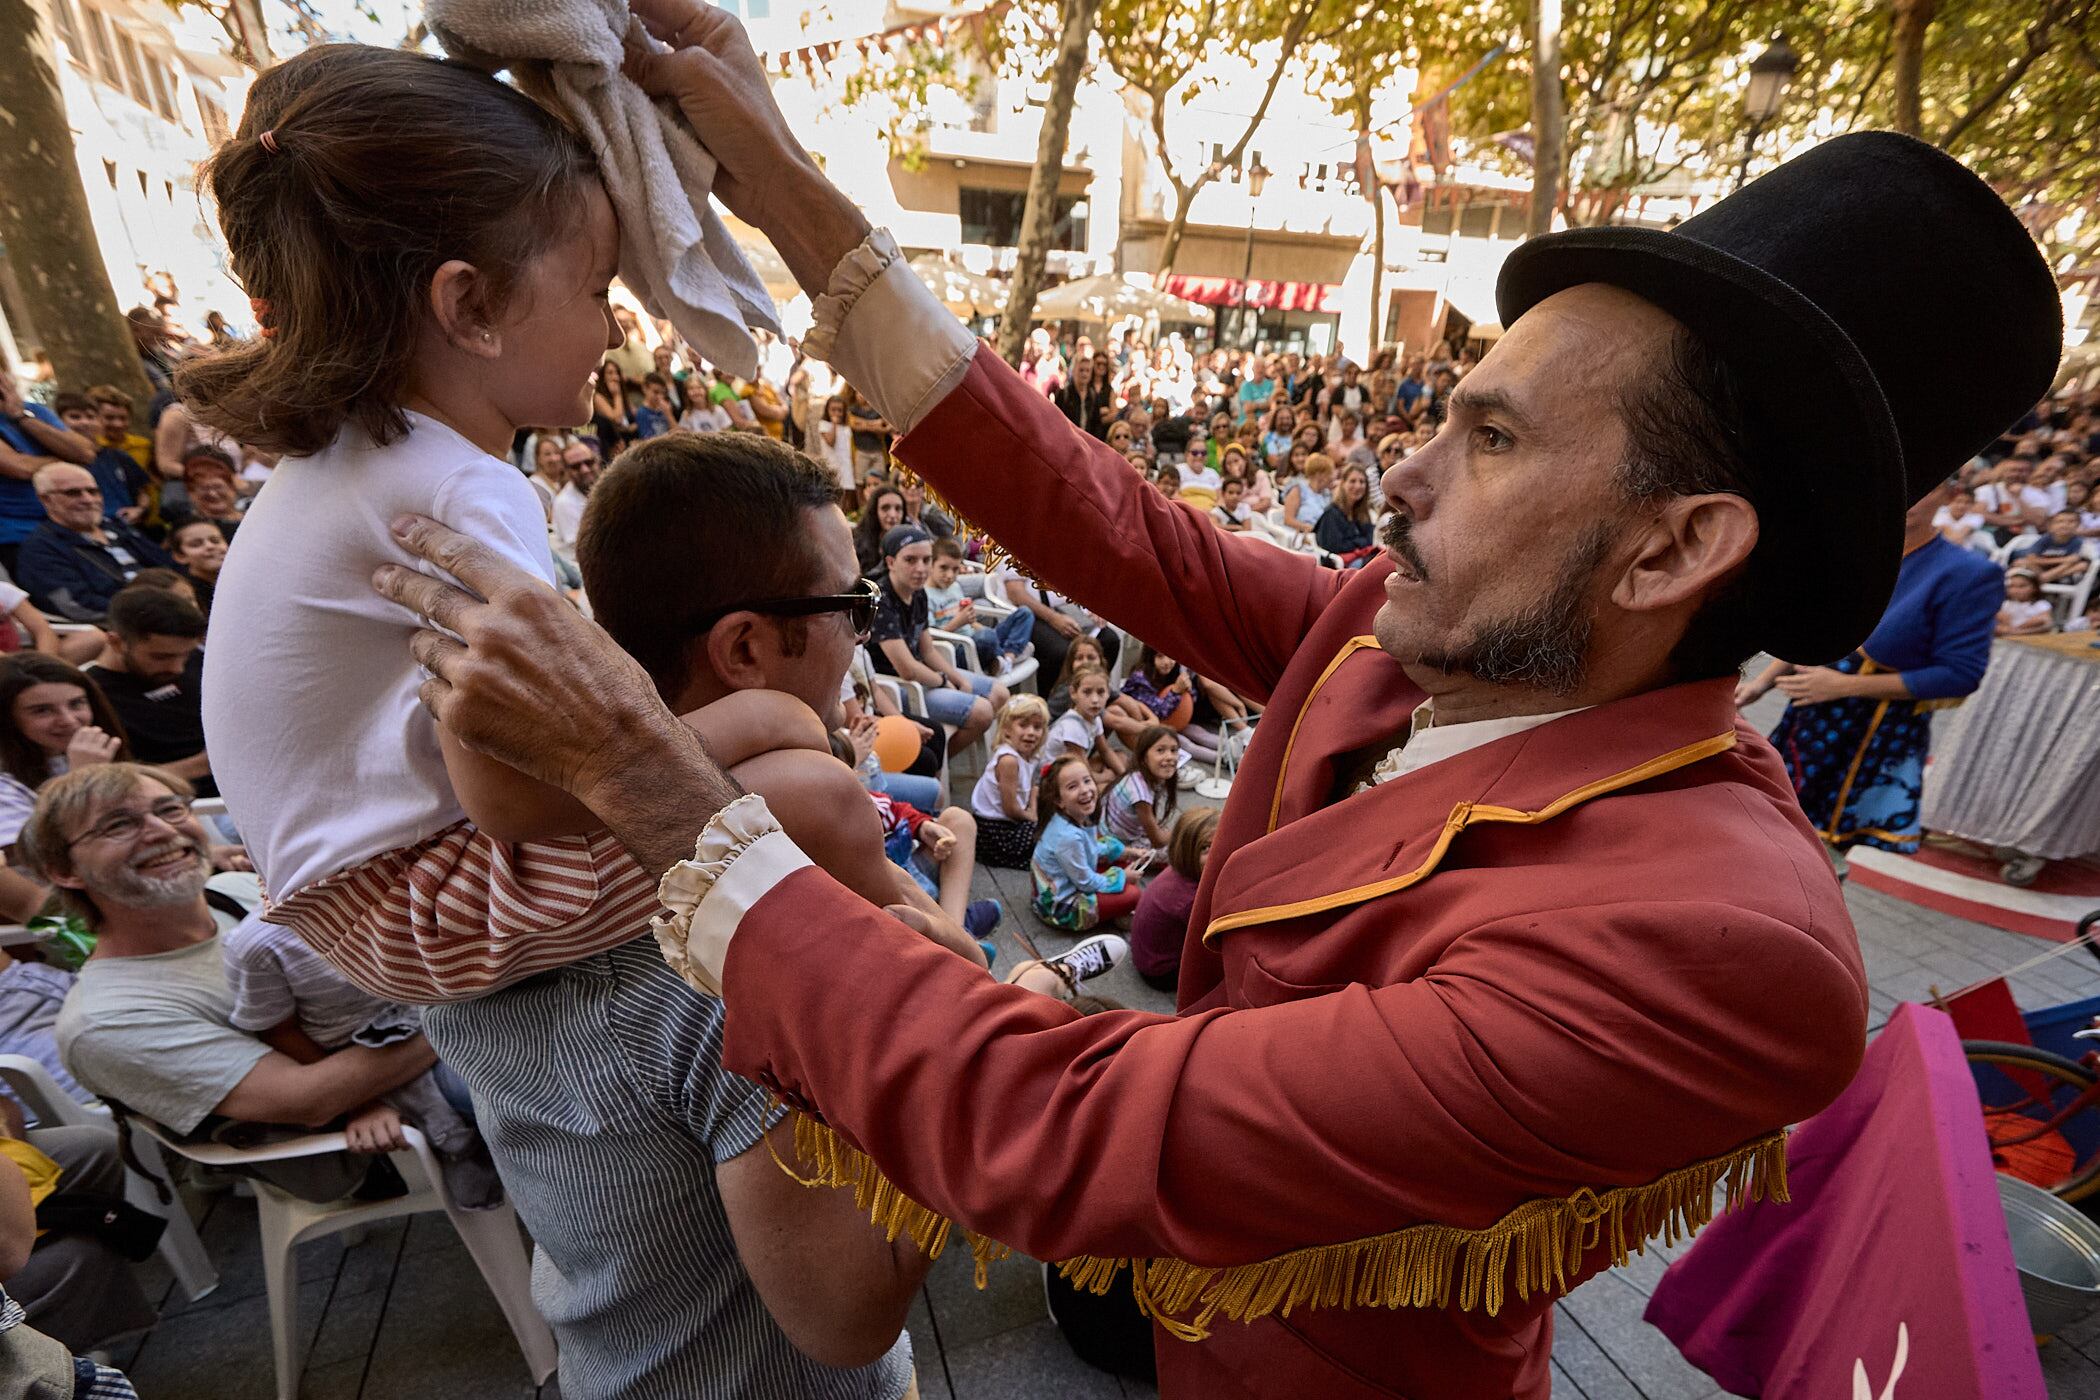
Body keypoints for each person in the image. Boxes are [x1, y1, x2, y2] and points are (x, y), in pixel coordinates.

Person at [374, 34, 2057, 1398]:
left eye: (1486, 440)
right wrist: (794, 197)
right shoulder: (1432, 635)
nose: (1394, 478)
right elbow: (1114, 521)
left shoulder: (1724, 945)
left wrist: (655, 788)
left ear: (1680, 546)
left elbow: (1082, 1131)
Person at [186, 45, 818, 1013]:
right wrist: (766, 717)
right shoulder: (461, 490)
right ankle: (878, 964)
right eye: (599, 288)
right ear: (470, 306)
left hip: (349, 897)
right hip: (423, 906)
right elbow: (518, 798)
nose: (613, 334)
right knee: (807, 776)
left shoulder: (353, 460)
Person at [1741, 481, 2005, 865]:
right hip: (1807, 718)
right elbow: (1822, 630)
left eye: (1928, 488)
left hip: (1872, 735)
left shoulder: (1967, 574)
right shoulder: (1860, 551)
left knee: (1814, 856)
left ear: (1949, 497)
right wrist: (1761, 683)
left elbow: (1960, 674)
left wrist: (1845, 686)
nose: (1910, 498)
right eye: (1904, 483)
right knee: (1769, 826)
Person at [868, 525, 1005, 756]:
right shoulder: (882, 600)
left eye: (926, 560)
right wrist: (942, 681)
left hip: (922, 675)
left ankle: (940, 758)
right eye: (910, 560)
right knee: (982, 713)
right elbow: (907, 669)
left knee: (1000, 693)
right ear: (891, 562)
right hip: (896, 684)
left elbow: (928, 650)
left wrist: (957, 678)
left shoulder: (918, 592)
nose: (920, 569)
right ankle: (939, 760)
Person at [84, 587, 213, 796]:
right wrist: (201, 765)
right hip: (179, 803)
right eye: (161, 657)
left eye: (185, 655)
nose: (177, 668)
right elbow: (107, 781)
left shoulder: (197, 661)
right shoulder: (89, 697)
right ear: (117, 643)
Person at [14, 467, 174, 623]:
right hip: (132, 625)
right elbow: (75, 605)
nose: (88, 500)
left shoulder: (118, 527)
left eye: (93, 491)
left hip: (172, 608)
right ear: (46, 499)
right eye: (73, 493)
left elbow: (168, 565)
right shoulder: (41, 549)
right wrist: (151, 614)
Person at [0, 656, 126, 853]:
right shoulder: (4, 780)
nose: (68, 720)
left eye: (76, 704)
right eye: (42, 711)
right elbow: (28, 856)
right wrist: (82, 778)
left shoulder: (96, 751)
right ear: (8, 718)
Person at [1031, 756, 1145, 932]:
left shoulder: (1076, 815)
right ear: (1059, 800)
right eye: (1072, 786)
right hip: (1063, 907)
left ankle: (1115, 911)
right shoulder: (1068, 837)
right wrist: (1122, 877)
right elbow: (1085, 883)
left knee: (1125, 861)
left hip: (1071, 880)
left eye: (1087, 780)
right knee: (1132, 894)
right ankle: (1116, 913)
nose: (1085, 790)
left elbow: (1090, 848)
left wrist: (1126, 852)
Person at [0, 381, 99, 576]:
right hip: (18, 535)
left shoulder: (33, 411)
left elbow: (86, 452)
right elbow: (20, 467)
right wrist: (67, 458)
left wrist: (22, 418)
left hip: (75, 526)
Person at [1128, 807, 1217, 993]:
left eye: (1219, 844)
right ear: (1187, 852)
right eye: (1205, 848)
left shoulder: (1183, 871)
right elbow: (1211, 939)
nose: (1215, 854)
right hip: (1161, 972)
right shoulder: (1190, 900)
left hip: (1147, 955)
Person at [926, 535, 1030, 673]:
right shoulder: (925, 595)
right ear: (931, 565)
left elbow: (971, 623)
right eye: (943, 568)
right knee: (987, 637)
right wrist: (958, 623)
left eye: (955, 569)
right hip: (958, 649)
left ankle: (1006, 659)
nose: (950, 575)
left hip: (975, 638)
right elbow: (929, 638)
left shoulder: (955, 587)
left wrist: (983, 629)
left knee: (1024, 613)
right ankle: (1007, 654)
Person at [970, 694, 1048, 869]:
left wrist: (1033, 810)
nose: (1030, 732)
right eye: (1023, 725)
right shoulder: (1008, 760)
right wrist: (1033, 818)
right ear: (1006, 730)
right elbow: (1010, 809)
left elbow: (1033, 788)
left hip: (1011, 820)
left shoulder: (1029, 756)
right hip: (996, 830)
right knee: (1049, 834)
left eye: (1037, 727)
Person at [1101, 725, 1181, 850]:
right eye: (1160, 750)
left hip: (1118, 834)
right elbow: (1158, 841)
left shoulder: (1139, 775)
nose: (1169, 757)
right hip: (1117, 846)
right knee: (1182, 851)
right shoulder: (1140, 795)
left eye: (1174, 750)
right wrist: (1183, 827)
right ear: (1144, 757)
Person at [1047, 665, 1123, 782]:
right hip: (1052, 779)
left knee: (1122, 759)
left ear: (1108, 693)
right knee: (1103, 788)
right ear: (1073, 693)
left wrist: (1125, 776)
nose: (1095, 700)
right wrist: (1107, 777)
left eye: (1101, 692)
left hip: (1072, 768)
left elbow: (1105, 751)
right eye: (1087, 692)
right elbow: (1084, 774)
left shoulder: (1094, 718)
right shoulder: (1072, 727)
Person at [171, 446, 246, 542]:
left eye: (218, 487)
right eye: (204, 488)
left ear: (233, 484)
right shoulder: (186, 531)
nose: (213, 494)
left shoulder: (253, 516)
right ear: (190, 491)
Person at [1315, 464, 1380, 568]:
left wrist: (1353, 544)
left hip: (1361, 558)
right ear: (1343, 483)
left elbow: (1369, 540)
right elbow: (1334, 547)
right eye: (1352, 481)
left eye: (1362, 482)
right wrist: (1359, 543)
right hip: (1339, 564)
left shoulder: (1363, 513)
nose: (1358, 486)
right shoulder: (1331, 513)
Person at [551, 437, 601, 560]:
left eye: (588, 462)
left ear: (597, 461)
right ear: (567, 471)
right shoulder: (564, 503)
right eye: (576, 466)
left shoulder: (611, 487)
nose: (585, 469)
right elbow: (583, 549)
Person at [2010, 510, 2091, 584]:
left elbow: (2072, 560)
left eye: (2071, 521)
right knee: (2021, 562)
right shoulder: (2046, 539)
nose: (2065, 525)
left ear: (2078, 525)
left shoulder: (2077, 541)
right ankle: (2044, 578)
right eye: (2060, 521)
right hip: (2037, 568)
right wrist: (2063, 559)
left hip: (2058, 571)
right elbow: (2031, 558)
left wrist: (2048, 575)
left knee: (2082, 565)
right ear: (2051, 526)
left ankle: (2045, 578)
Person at [1055, 357, 1112, 440]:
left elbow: (1097, 424)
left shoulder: (1093, 395)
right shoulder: (1063, 393)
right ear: (1074, 371)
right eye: (1081, 370)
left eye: (1087, 370)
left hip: (1087, 444)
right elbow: (1057, 421)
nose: (1084, 374)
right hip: (1067, 441)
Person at [1279, 452, 1335, 538]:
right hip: (1302, 536)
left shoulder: (1327, 494)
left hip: (1324, 536)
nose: (1332, 477)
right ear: (1319, 474)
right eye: (1329, 473)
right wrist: (1311, 529)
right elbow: (1288, 520)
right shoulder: (1298, 489)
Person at [815, 393, 856, 501]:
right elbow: (831, 442)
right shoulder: (824, 425)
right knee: (834, 493)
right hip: (832, 464)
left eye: (839, 410)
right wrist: (834, 424)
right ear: (827, 410)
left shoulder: (846, 427)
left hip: (845, 464)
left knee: (846, 494)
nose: (836, 413)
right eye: (833, 410)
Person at [590, 361, 637, 454]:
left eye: (617, 373)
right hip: (613, 446)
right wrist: (617, 395)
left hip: (631, 441)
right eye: (610, 373)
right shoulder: (598, 397)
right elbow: (616, 419)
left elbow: (636, 417)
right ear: (603, 377)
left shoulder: (624, 397)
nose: (615, 377)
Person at [1994, 568, 2054, 635]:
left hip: (2029, 633)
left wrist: (2018, 630)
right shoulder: (2005, 604)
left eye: (2022, 586)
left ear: (2034, 588)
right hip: (2008, 631)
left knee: (2041, 619)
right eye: (2012, 586)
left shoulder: (2041, 604)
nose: (2016, 590)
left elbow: (2046, 623)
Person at [633, 372, 675, 440]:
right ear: (645, 389)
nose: (660, 397)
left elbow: (678, 434)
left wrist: (669, 414)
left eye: (662, 393)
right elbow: (648, 440)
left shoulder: (665, 409)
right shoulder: (642, 412)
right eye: (656, 392)